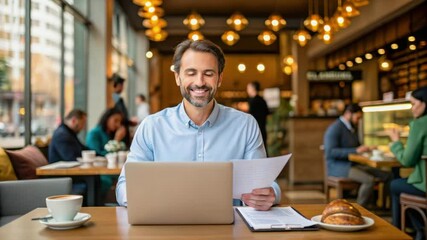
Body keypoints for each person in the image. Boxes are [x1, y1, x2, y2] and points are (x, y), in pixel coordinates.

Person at [116, 39, 280, 210]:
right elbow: (124, 185)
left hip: (230, 232)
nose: (200, 82)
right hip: (167, 227)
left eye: (208, 73)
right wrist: (144, 198)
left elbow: (267, 185)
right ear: (177, 77)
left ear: (219, 78)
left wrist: (270, 194)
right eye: (191, 73)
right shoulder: (152, 127)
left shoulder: (245, 126)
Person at [323, 103, 391, 208]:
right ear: (348, 114)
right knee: (369, 180)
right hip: (337, 167)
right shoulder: (334, 128)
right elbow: (331, 152)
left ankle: (384, 208)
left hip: (353, 164)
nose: (358, 120)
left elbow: (356, 147)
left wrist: (366, 148)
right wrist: (356, 150)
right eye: (357, 117)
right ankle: (359, 210)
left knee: (387, 175)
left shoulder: (352, 127)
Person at [388, 86, 427, 240]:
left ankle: (400, 232)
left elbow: (407, 160)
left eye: (414, 104)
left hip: (425, 185)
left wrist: (396, 143)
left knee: (394, 185)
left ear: (424, 103)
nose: (412, 109)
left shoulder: (419, 124)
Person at [86, 108, 126, 202]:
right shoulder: (94, 134)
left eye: (120, 122)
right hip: (98, 171)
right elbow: (97, 154)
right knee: (106, 181)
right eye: (115, 120)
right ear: (107, 118)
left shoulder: (111, 134)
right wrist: (116, 140)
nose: (118, 124)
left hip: (113, 170)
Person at [111, 73, 135, 147]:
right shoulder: (112, 100)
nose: (122, 88)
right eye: (121, 85)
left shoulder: (119, 99)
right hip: (118, 130)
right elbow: (119, 116)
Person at [246, 81, 269, 152]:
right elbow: (267, 113)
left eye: (248, 88)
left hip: (254, 130)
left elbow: (250, 117)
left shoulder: (253, 101)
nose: (247, 90)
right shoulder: (262, 100)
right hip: (262, 129)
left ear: (253, 88)